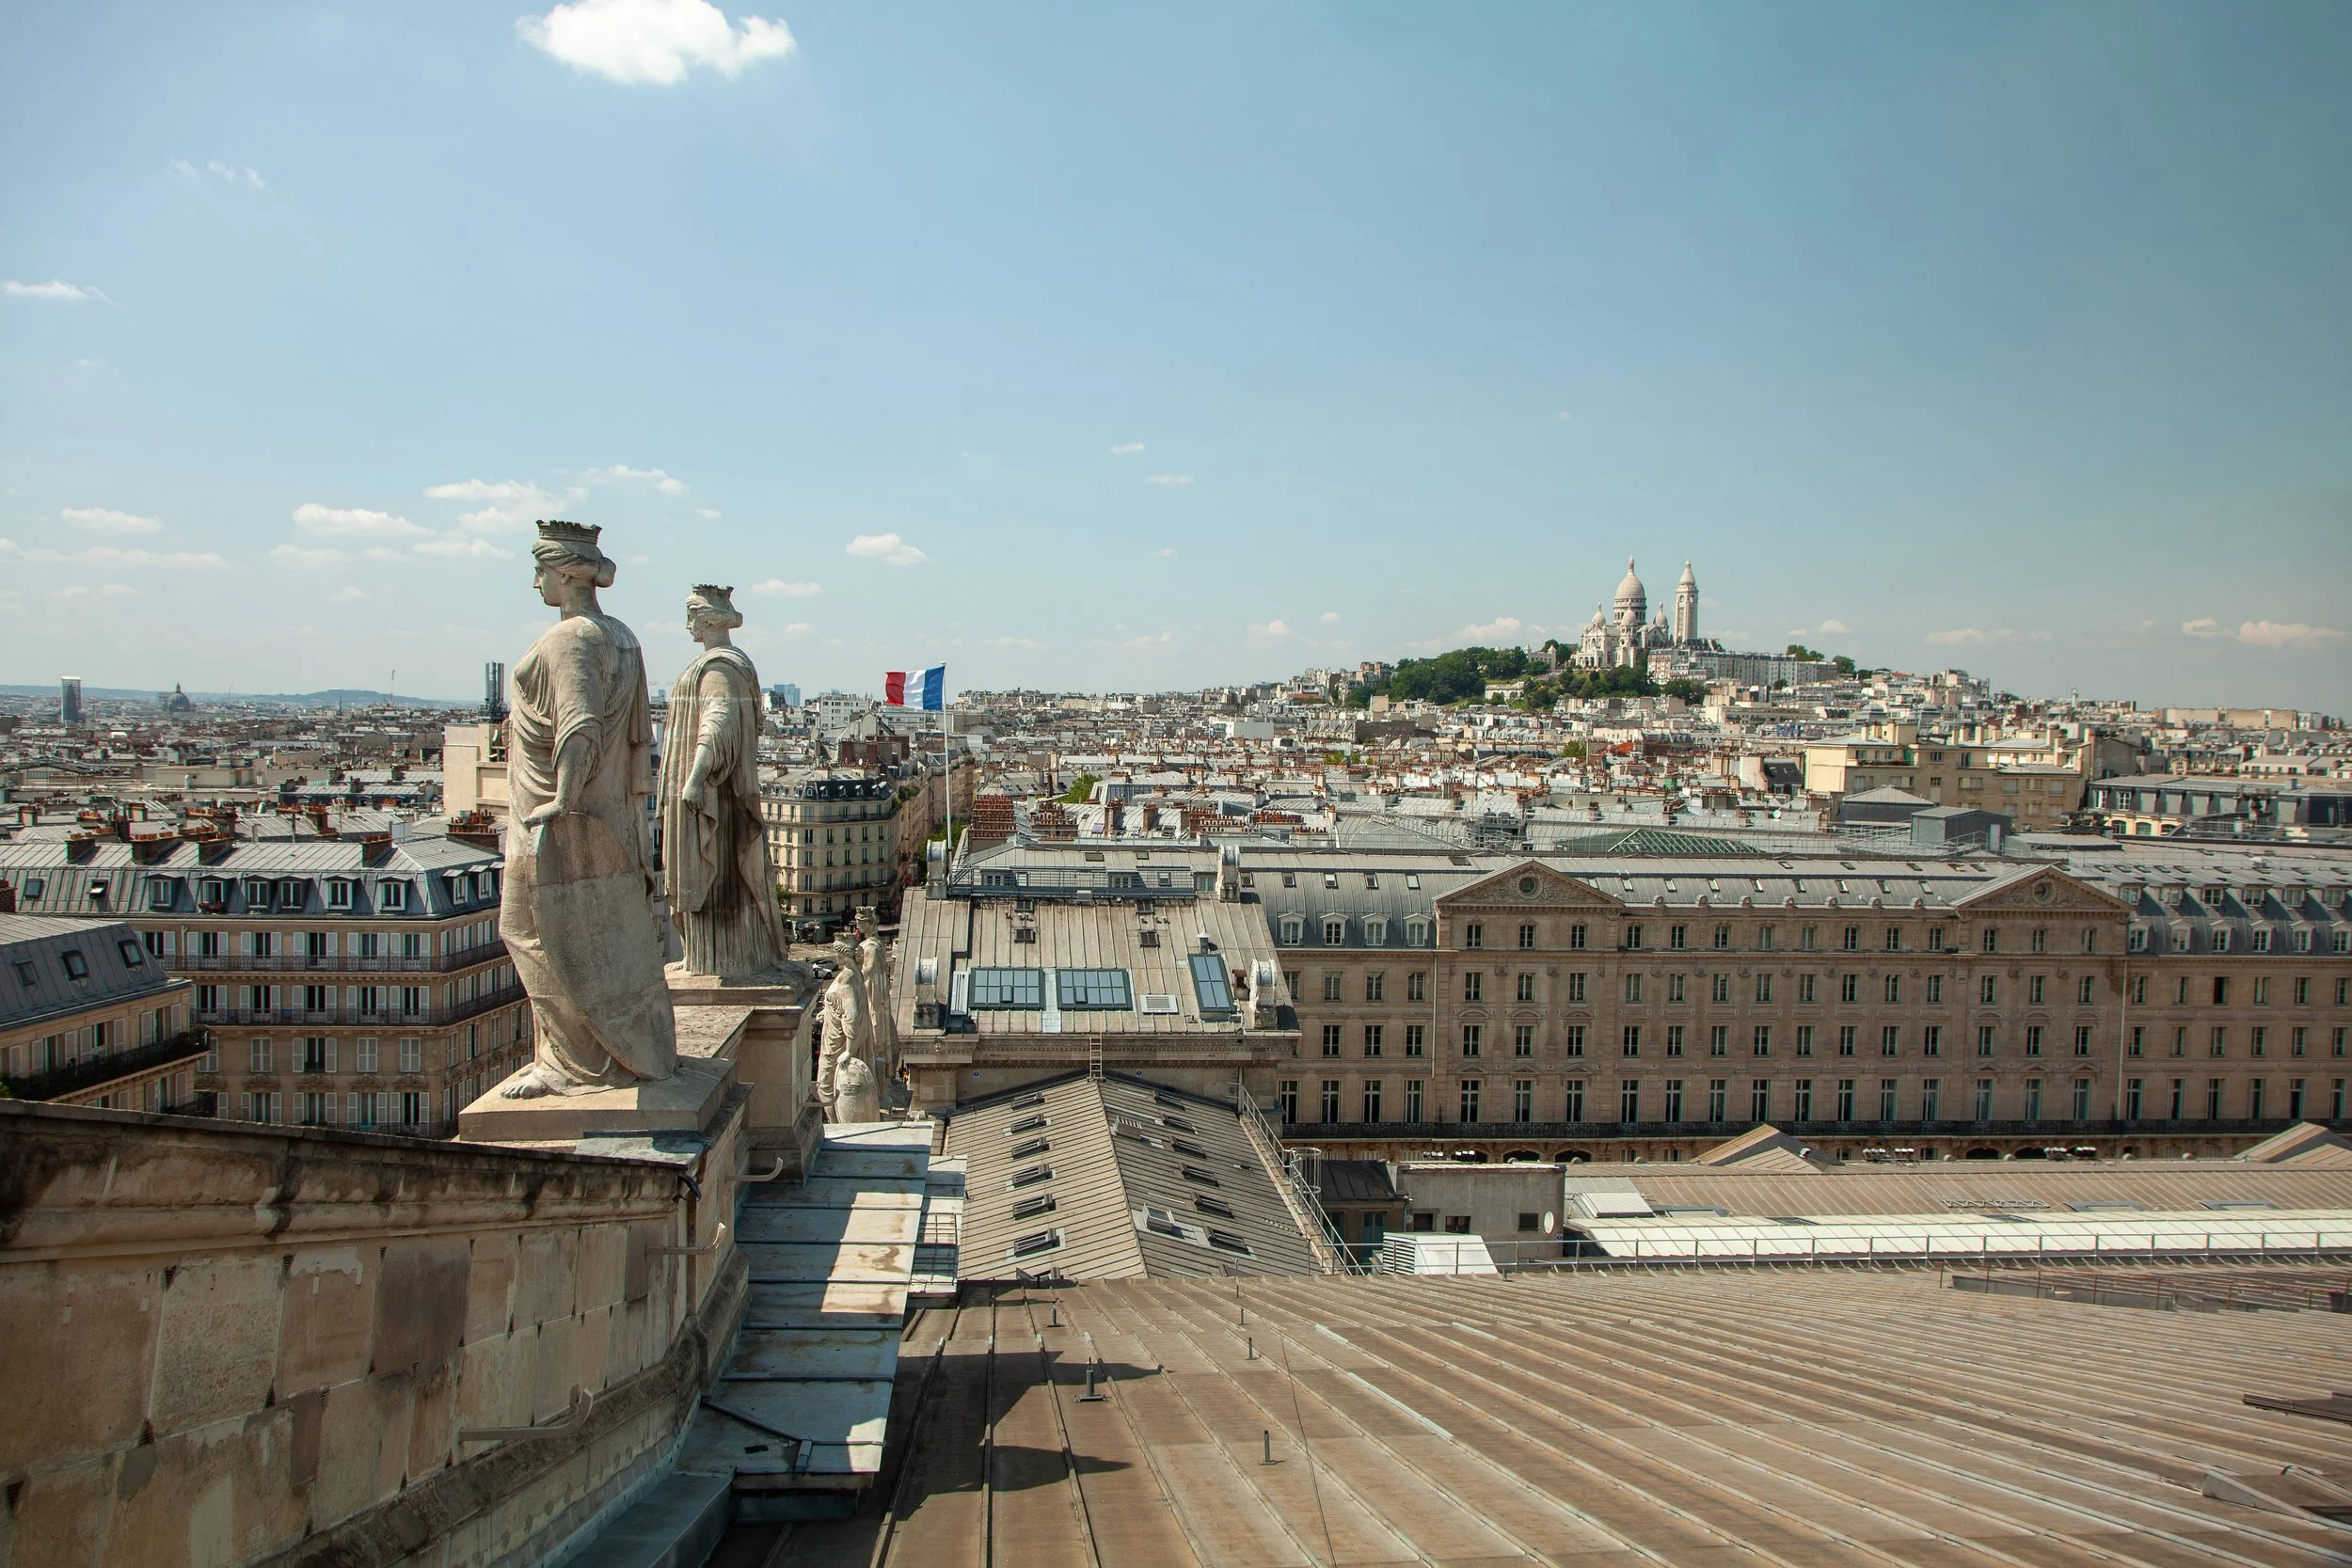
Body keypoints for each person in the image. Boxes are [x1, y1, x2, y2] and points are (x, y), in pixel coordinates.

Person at [499, 521, 676, 1098]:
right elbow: (634, 740)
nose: (535, 583)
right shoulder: (622, 636)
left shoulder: (567, 640)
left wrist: (562, 802)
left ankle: (574, 1059)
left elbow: (580, 728)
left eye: (541, 569)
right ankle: (625, 1050)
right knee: (605, 938)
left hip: (557, 823)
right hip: (615, 821)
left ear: (567, 571)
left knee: (529, 930)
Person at [658, 584, 795, 981]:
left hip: (714, 796)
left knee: (712, 876)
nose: (687, 624)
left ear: (708, 618)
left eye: (691, 615)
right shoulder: (732, 664)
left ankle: (718, 960)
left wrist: (696, 778)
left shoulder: (718, 666)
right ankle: (710, 956)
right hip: (721, 793)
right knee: (719, 877)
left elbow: (717, 725)